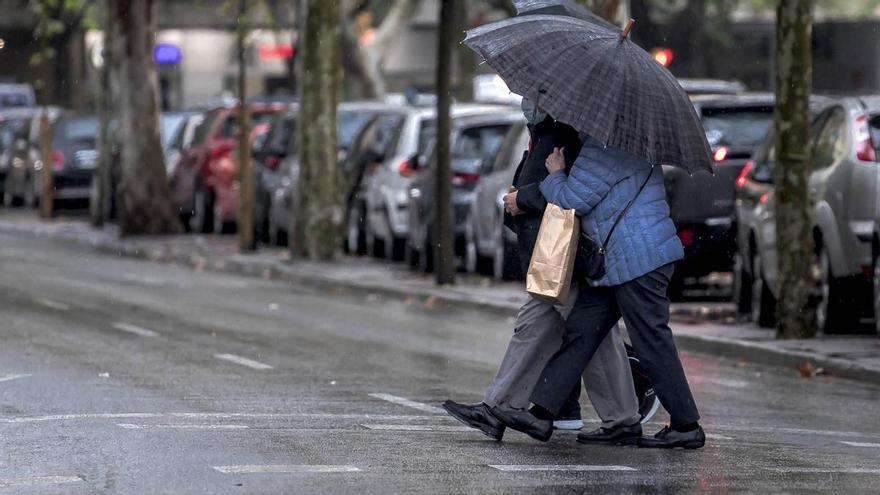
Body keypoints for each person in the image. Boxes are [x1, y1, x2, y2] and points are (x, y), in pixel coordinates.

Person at [441, 98, 645, 443]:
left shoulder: (566, 129)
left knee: (591, 335)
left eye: (532, 95)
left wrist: (524, 198)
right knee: (534, 326)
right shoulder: (546, 131)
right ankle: (497, 407)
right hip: (550, 246)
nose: (525, 101)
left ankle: (623, 418)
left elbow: (576, 187)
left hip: (564, 248)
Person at [490, 135, 706, 449]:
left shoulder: (607, 148)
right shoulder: (629, 144)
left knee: (651, 340)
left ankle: (687, 425)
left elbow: (571, 199)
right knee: (581, 331)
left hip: (640, 259)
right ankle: (541, 413)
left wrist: (555, 172)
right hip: (618, 260)